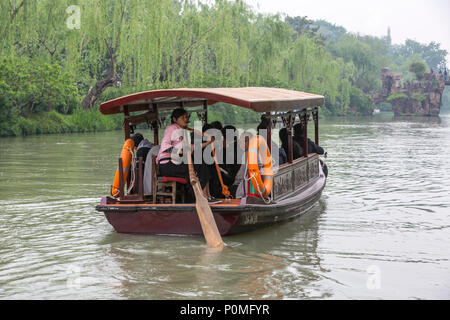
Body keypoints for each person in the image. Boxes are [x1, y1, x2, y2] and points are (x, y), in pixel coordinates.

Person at [156, 108, 219, 203]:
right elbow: (165, 145)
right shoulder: (171, 128)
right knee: (199, 166)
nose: (186, 119)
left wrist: (208, 142)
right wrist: (180, 151)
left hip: (176, 163)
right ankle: (203, 197)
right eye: (182, 117)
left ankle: (208, 196)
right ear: (174, 119)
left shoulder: (184, 132)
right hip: (167, 164)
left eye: (186, 117)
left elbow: (192, 147)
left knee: (202, 164)